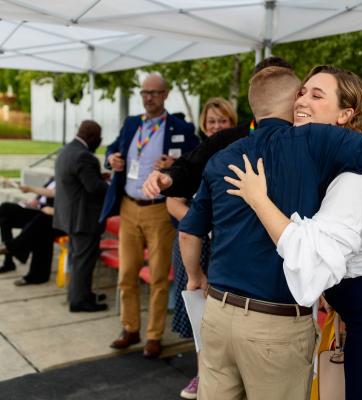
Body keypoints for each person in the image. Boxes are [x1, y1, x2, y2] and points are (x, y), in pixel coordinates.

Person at [178, 65, 362, 400]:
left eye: (315, 94)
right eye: (301, 91)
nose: (302, 100)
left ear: (345, 114)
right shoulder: (311, 153)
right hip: (330, 314)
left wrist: (258, 199)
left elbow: (311, 259)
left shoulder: (353, 178)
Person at [100, 73, 199, 359]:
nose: (149, 97)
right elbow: (112, 147)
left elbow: (197, 160)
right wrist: (111, 158)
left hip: (159, 209)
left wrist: (175, 163)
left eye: (155, 93)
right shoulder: (132, 123)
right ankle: (130, 328)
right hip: (129, 207)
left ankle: (154, 335)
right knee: (127, 273)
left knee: (157, 276)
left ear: (166, 94)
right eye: (145, 93)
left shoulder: (181, 127)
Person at [142, 57, 295, 200]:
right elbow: (191, 167)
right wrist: (168, 178)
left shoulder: (309, 137)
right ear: (252, 92)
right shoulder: (227, 139)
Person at [167, 97, 237, 399]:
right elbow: (172, 201)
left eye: (222, 121)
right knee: (199, 314)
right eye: (212, 122)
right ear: (204, 126)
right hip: (196, 245)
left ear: (231, 124)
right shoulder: (193, 159)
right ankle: (201, 374)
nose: (217, 126)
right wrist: (202, 224)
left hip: (228, 246)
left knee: (226, 317)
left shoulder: (241, 154)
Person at [53, 120, 108, 313]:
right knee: (84, 261)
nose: (99, 142)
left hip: (69, 216)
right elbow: (93, 188)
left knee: (78, 259)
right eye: (99, 139)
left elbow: (80, 180)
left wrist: (99, 177)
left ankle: (80, 294)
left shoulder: (67, 150)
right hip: (83, 219)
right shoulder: (85, 156)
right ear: (92, 137)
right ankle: (79, 302)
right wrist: (111, 187)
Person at [0, 180, 63, 285]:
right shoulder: (55, 177)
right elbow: (47, 193)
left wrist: (47, 208)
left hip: (55, 216)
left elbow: (59, 197)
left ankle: (12, 247)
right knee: (5, 211)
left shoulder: (71, 180)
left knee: (42, 223)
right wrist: (35, 200)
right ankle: (9, 261)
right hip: (39, 209)